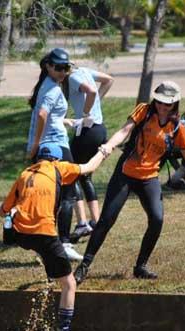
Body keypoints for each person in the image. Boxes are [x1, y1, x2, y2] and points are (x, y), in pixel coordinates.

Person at [74, 81, 185, 284]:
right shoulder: (144, 111)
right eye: (160, 101)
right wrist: (108, 146)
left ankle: (140, 266)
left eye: (168, 104)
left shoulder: (177, 125)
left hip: (149, 177)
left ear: (175, 104)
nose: (163, 106)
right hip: (126, 173)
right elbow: (125, 130)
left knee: (157, 219)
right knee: (106, 220)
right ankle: (84, 266)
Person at [0, 143, 110, 331]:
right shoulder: (59, 168)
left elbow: (1, 211)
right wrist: (103, 152)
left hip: (21, 235)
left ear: (38, 158)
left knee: (44, 252)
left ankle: (51, 274)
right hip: (45, 235)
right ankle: (63, 330)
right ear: (57, 159)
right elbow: (89, 167)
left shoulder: (24, 174)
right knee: (69, 284)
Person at [26, 48, 83, 260]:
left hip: (49, 146)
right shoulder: (53, 89)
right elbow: (42, 114)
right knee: (68, 196)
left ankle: (47, 245)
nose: (63, 72)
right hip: (56, 147)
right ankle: (65, 244)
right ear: (48, 66)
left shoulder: (46, 84)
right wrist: (37, 144)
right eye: (58, 67)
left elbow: (47, 115)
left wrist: (65, 121)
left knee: (52, 199)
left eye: (66, 68)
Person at [62, 66, 114, 241]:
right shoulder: (84, 70)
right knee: (86, 177)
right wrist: (95, 102)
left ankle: (82, 223)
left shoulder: (72, 77)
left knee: (72, 174)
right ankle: (97, 222)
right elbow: (109, 80)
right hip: (99, 129)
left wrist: (85, 111)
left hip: (87, 129)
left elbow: (91, 91)